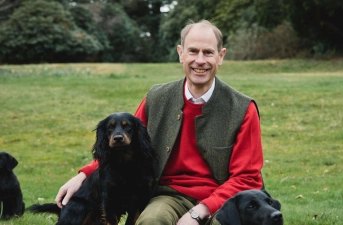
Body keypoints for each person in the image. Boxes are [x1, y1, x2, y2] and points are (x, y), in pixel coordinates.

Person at [55, 20, 264, 225]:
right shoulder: (156, 98)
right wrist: (84, 174)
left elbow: (246, 178)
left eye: (208, 52)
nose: (200, 60)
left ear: (221, 56)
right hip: (168, 196)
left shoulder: (243, 109)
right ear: (181, 53)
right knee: (151, 221)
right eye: (193, 51)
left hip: (222, 200)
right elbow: (123, 147)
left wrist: (199, 212)